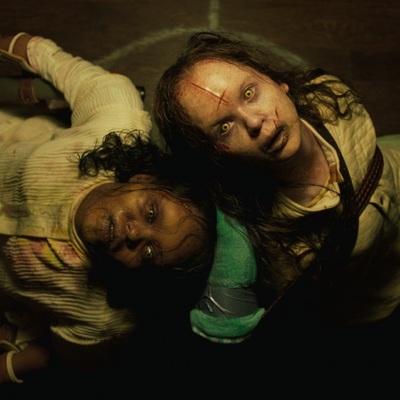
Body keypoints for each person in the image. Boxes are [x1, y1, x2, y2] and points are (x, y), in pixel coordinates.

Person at [0, 32, 217, 385]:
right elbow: (50, 58)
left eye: (149, 253)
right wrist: (19, 44)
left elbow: (64, 354)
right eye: (151, 212)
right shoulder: (115, 121)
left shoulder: (102, 318)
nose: (135, 232)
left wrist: (16, 364)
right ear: (144, 178)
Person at [153, 31, 400, 332]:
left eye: (249, 93)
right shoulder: (281, 247)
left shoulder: (329, 94)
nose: (254, 121)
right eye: (225, 127)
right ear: (217, 154)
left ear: (276, 81)